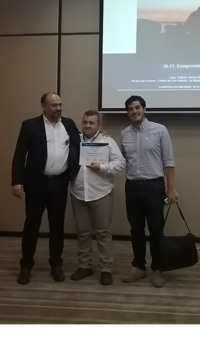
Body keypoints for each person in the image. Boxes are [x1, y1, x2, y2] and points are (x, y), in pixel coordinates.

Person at [11, 92, 81, 285]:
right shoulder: (30, 125)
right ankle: (26, 266)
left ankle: (56, 264)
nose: (58, 108)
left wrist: (101, 136)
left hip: (59, 183)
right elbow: (19, 156)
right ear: (43, 106)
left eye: (60, 104)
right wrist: (16, 181)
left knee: (57, 226)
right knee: (32, 225)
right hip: (36, 183)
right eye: (54, 105)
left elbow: (82, 143)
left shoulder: (69, 124)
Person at [120, 96, 178, 289]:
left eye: (137, 108)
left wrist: (171, 188)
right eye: (130, 109)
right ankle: (139, 267)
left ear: (144, 109)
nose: (134, 111)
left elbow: (169, 162)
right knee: (136, 229)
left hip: (154, 186)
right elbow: (120, 159)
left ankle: (158, 268)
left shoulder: (160, 130)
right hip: (132, 186)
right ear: (127, 112)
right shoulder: (124, 134)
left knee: (156, 230)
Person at [69, 110, 125, 286]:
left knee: (103, 232)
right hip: (78, 193)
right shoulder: (74, 140)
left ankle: (106, 268)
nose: (87, 126)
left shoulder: (108, 141)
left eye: (92, 123)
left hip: (101, 193)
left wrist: (102, 167)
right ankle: (84, 266)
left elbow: (120, 163)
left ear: (99, 125)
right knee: (83, 232)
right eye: (85, 122)